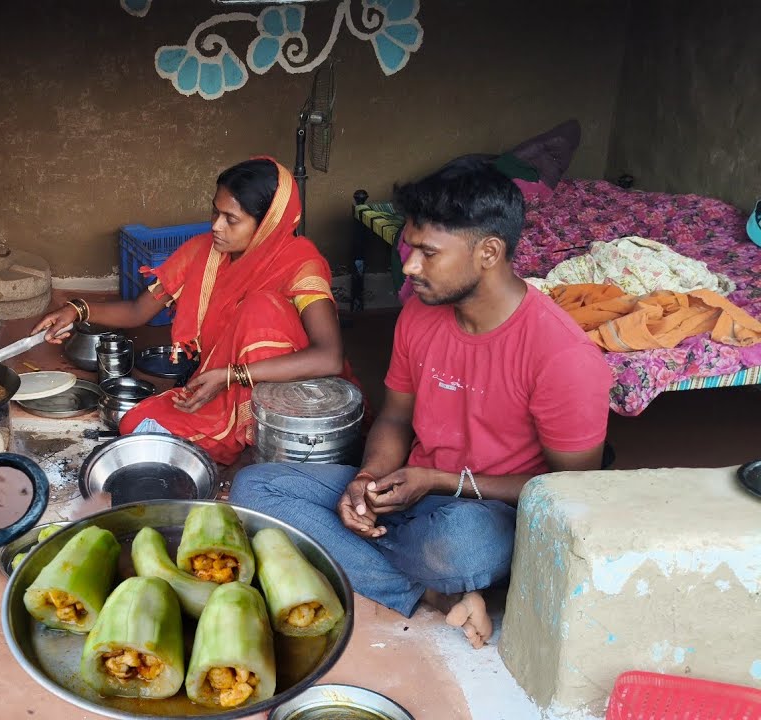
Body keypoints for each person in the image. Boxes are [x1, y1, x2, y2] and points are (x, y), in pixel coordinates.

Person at [229, 161, 612, 649]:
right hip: (410, 494)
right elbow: (394, 417)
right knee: (256, 488)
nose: (409, 267)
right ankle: (432, 591)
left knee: (461, 546)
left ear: (488, 253)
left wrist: (438, 481)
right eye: (411, 249)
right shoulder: (419, 313)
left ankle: (388, 562)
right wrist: (367, 479)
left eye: (428, 253)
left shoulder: (562, 356)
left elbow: (574, 490)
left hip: (483, 511)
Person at [35, 157, 361, 465]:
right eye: (215, 212)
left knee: (261, 307)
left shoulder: (300, 264)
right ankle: (226, 437)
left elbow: (328, 357)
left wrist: (232, 375)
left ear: (267, 224)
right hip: (220, 386)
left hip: (289, 399)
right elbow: (138, 311)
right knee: (135, 422)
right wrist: (76, 310)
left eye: (231, 219)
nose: (217, 226)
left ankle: (252, 441)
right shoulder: (204, 252)